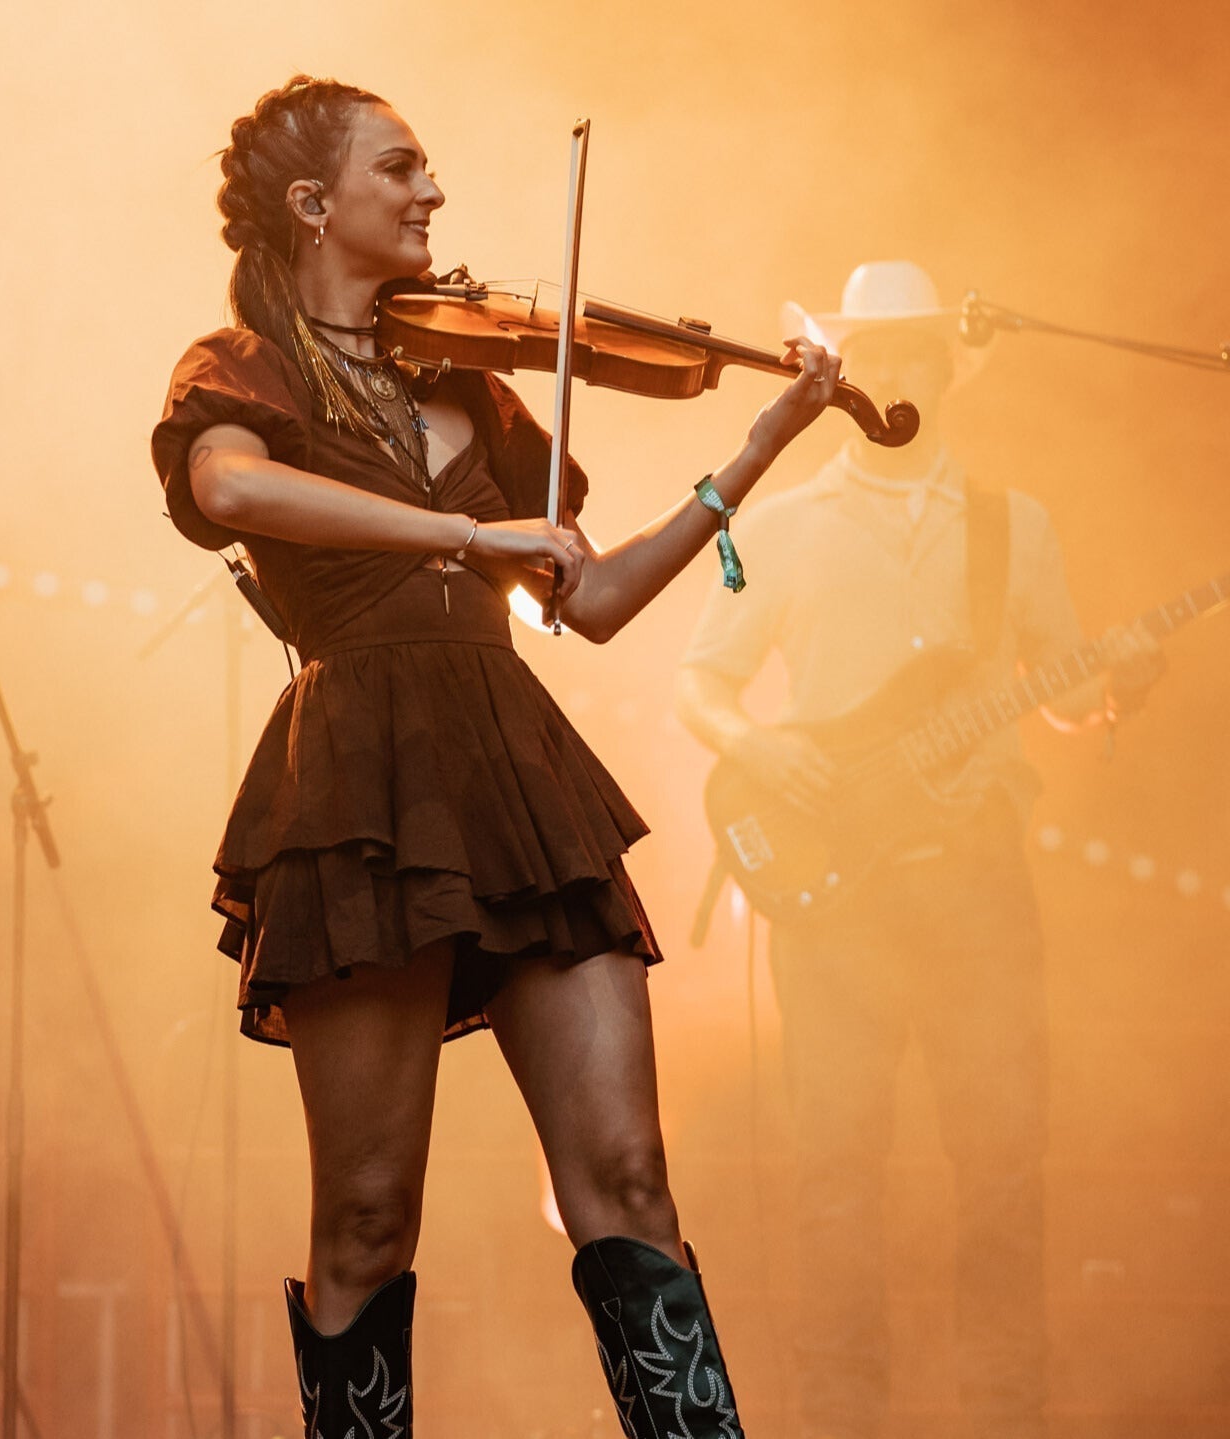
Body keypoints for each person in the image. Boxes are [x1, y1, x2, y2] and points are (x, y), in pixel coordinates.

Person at [151, 75, 841, 1438]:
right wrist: (468, 536)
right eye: (400, 167)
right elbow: (229, 487)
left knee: (630, 1177)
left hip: (515, 766)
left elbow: (593, 597)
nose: (432, 193)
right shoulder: (239, 366)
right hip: (358, 773)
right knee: (365, 1213)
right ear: (313, 202)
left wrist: (756, 449)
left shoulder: (468, 380)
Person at [675, 261, 1165, 1439]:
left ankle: (1006, 1413)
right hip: (836, 895)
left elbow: (1057, 688)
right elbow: (700, 679)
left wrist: (1112, 690)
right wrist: (763, 746)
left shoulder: (1014, 524)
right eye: (876, 354)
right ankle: (843, 1417)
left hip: (978, 883)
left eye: (914, 354)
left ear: (949, 371)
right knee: (837, 1173)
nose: (895, 374)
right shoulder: (778, 523)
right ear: (845, 376)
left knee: (1002, 1164)